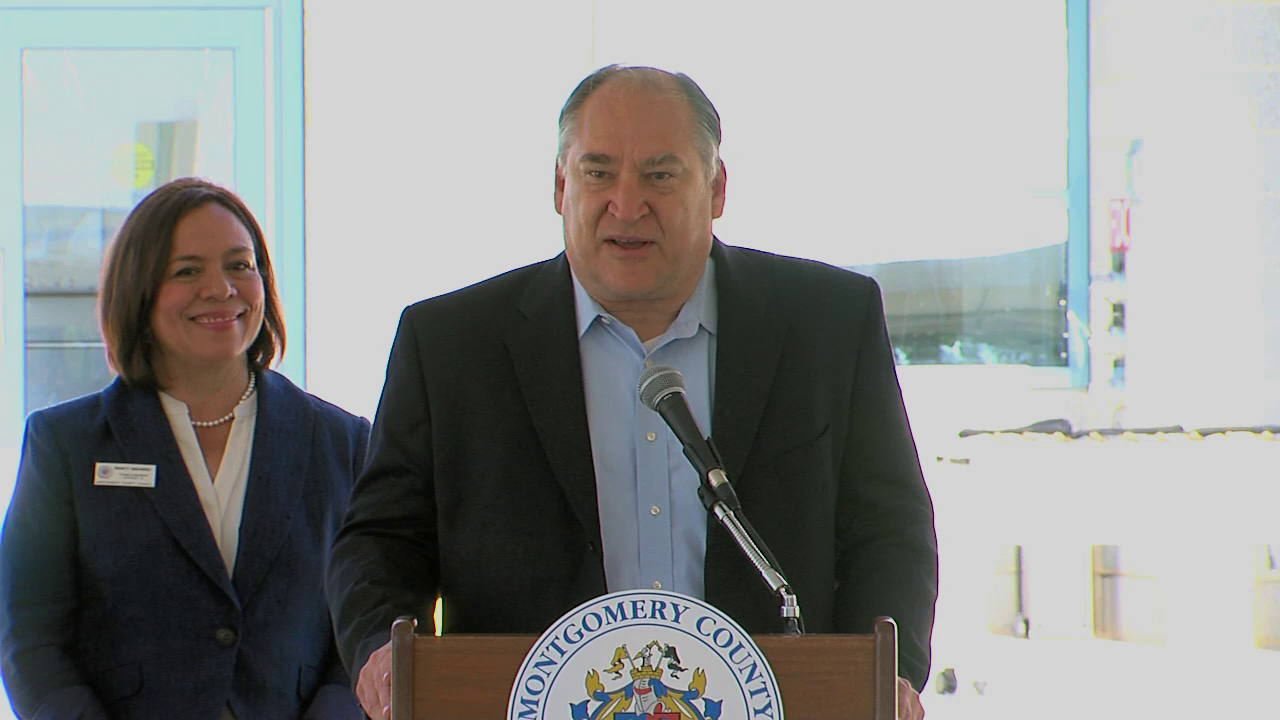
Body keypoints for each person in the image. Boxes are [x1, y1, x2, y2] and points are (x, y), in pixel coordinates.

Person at [327, 65, 938, 720]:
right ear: (560, 186)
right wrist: (381, 650)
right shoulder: (451, 344)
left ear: (718, 187)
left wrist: (887, 674)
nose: (626, 203)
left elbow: (889, 529)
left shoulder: (828, 323)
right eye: (597, 172)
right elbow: (383, 541)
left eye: (659, 174)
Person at [0, 178, 368, 719]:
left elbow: (365, 625)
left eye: (240, 265)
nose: (220, 288)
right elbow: (28, 637)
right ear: (140, 291)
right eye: (187, 271)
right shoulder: (67, 446)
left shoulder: (343, 443)